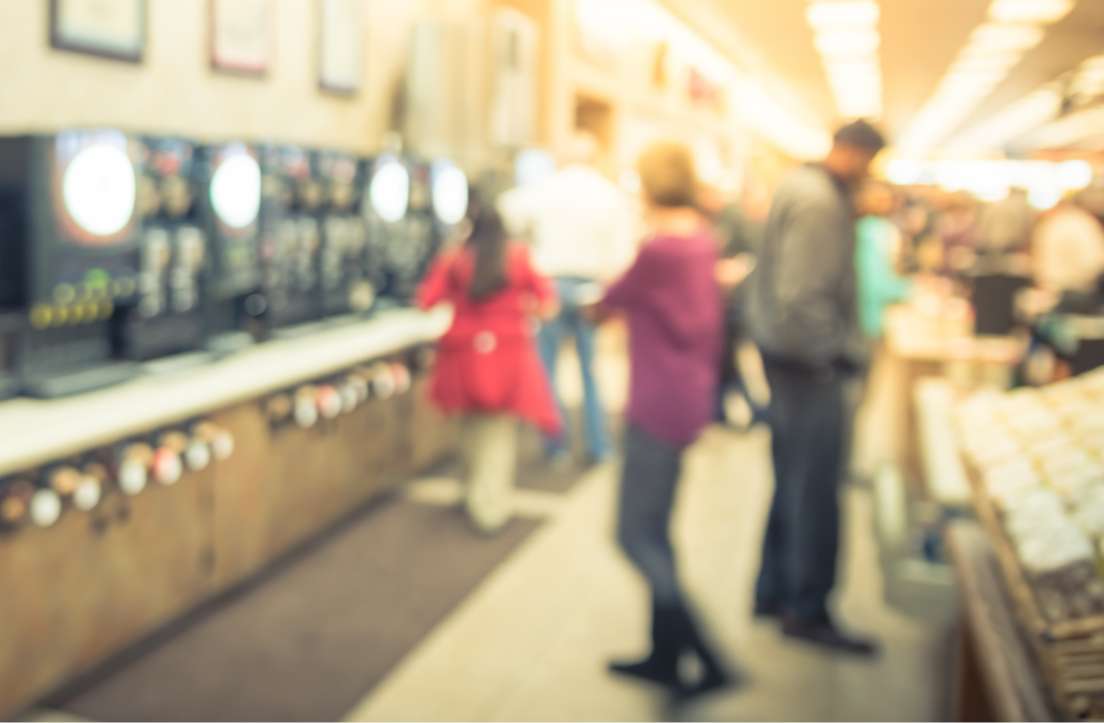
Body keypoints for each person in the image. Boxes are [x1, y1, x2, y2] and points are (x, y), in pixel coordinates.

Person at [597, 141, 733, 698]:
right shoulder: (702, 242)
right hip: (688, 398)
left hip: (656, 403)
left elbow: (611, 298)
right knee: (658, 531)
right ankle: (664, 656)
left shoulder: (660, 251)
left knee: (634, 535)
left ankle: (704, 653)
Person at [745, 120, 886, 656]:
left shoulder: (803, 189)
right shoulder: (819, 202)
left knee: (792, 479)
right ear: (856, 154)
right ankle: (807, 607)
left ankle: (773, 592)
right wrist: (830, 358)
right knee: (816, 489)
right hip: (807, 368)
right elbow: (801, 297)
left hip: (790, 363)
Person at [416, 190, 561, 534]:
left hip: (462, 355)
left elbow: (427, 300)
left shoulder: (455, 260)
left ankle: (472, 494)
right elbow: (548, 305)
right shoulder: (520, 257)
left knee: (469, 427)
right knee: (497, 434)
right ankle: (490, 508)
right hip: (507, 356)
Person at [497, 132, 636, 466]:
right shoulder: (610, 195)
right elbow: (622, 253)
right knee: (590, 370)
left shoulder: (547, 188)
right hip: (592, 288)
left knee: (548, 369)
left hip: (551, 285)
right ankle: (599, 446)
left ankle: (556, 446)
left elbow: (506, 209)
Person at [1032, 192, 1104, 298]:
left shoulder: (1051, 222)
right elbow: (1093, 263)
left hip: (1050, 288)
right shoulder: (1082, 223)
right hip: (1075, 290)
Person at [977, 187, 1035, 260]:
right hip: (1013, 248)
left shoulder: (995, 205)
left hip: (990, 246)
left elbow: (983, 225)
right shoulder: (1023, 206)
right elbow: (1027, 228)